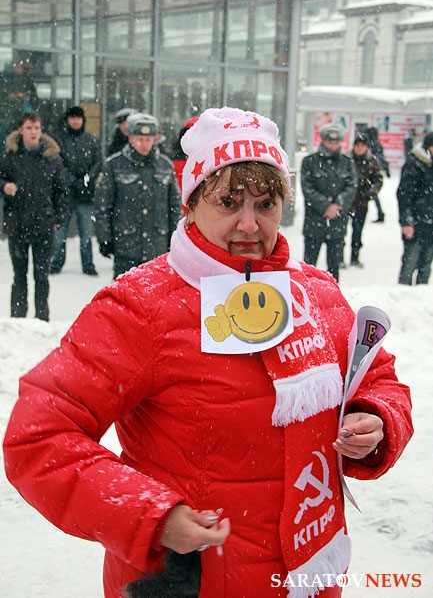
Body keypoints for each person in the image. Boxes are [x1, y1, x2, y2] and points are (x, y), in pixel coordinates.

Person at [3, 107, 413, 598]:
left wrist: (376, 418)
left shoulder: (316, 292)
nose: (249, 224)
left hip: (312, 574)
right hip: (191, 582)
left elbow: (378, 379)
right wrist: (151, 516)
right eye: (228, 202)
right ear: (191, 203)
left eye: (266, 204)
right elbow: (39, 437)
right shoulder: (141, 305)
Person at [94, 112, 181, 278]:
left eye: (148, 139)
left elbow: (174, 206)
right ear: (130, 138)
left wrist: (175, 238)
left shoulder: (164, 165)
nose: (144, 144)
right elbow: (103, 205)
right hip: (126, 246)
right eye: (139, 139)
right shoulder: (114, 165)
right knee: (124, 292)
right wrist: (104, 238)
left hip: (157, 247)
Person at [0, 110, 68, 320]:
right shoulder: (10, 156)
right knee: (19, 276)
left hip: (43, 225)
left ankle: (42, 318)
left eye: (37, 128)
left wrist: (58, 218)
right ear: (21, 130)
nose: (33, 132)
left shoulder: (51, 158)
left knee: (42, 276)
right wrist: (4, 186)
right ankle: (18, 318)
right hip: (17, 223)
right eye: (29, 128)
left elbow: (61, 191)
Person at [50, 106, 102, 276]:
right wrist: (72, 181)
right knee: (60, 233)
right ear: (67, 120)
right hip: (64, 195)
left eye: (78, 118)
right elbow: (58, 165)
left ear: (83, 120)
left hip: (86, 196)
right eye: (72, 118)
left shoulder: (91, 140)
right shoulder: (59, 140)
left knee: (86, 233)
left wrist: (87, 180)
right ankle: (56, 262)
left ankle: (88, 264)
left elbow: (97, 163)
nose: (75, 121)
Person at [301, 124, 357, 282]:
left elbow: (352, 187)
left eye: (336, 142)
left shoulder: (347, 163)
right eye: (329, 142)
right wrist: (325, 206)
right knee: (309, 267)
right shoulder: (310, 162)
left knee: (334, 267)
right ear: (323, 141)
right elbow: (307, 189)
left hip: (337, 221)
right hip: (315, 221)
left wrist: (337, 204)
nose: (333, 146)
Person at [397, 131, 433, 285]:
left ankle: (420, 295)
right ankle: (402, 295)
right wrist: (406, 221)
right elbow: (404, 195)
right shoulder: (414, 163)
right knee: (409, 264)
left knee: (426, 265)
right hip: (416, 222)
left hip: (430, 225)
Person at [347, 133, 383, 268]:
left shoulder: (371, 161)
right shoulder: (347, 160)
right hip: (345, 202)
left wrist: (371, 193)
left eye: (362, 145)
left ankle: (355, 257)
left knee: (357, 232)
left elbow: (378, 179)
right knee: (340, 232)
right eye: (357, 145)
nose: (359, 148)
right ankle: (338, 257)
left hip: (361, 202)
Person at [365, 126, 390, 223]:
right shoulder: (377, 143)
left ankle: (380, 213)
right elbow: (381, 157)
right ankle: (380, 213)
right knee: (373, 193)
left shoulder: (371, 144)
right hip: (374, 170)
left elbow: (377, 157)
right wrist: (386, 169)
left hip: (369, 170)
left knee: (371, 193)